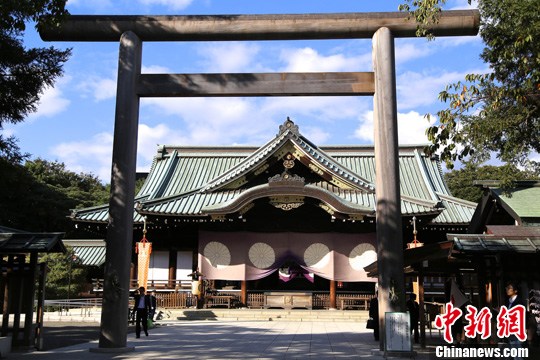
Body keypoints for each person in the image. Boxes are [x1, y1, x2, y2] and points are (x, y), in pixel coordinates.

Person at [505, 282, 526, 360]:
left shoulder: (519, 302)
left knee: (517, 353)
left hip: (517, 329)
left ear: (515, 291)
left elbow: (523, 316)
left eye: (509, 288)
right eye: (507, 288)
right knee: (514, 352)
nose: (507, 290)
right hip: (510, 329)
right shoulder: (509, 301)